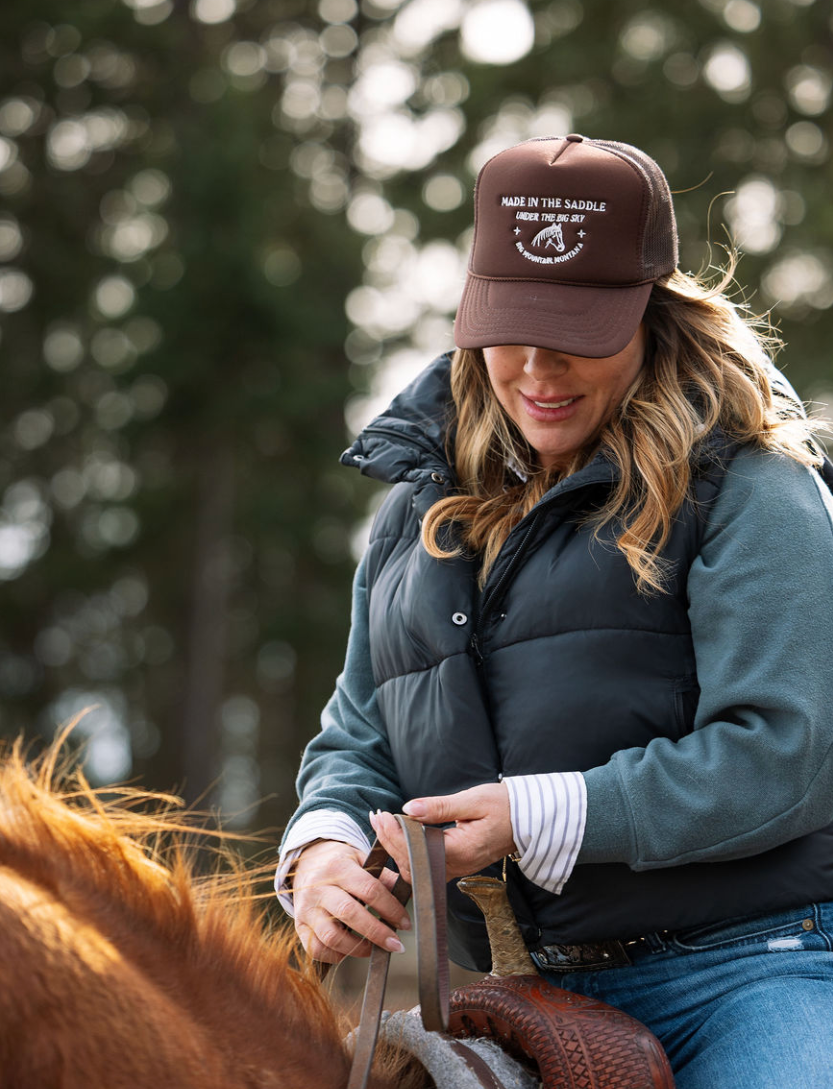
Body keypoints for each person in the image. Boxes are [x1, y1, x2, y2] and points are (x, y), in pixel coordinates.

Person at [277, 134, 833, 1089]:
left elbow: (782, 752)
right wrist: (321, 847)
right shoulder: (413, 510)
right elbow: (359, 734)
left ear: (650, 312)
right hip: (501, 992)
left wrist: (534, 814)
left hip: (746, 975)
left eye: (578, 329)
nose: (538, 366)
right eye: (512, 324)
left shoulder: (755, 490)